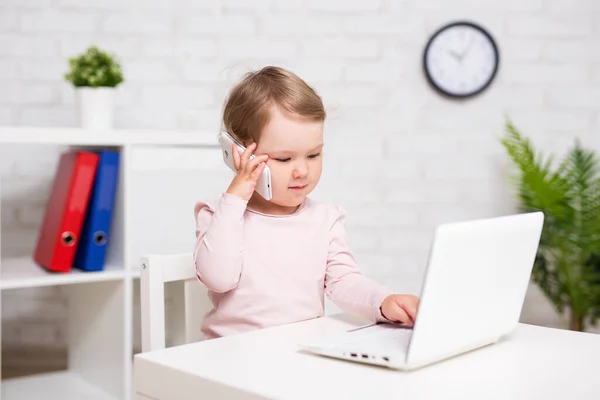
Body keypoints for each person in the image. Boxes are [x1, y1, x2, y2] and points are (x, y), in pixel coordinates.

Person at [194, 66, 420, 340]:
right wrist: (235, 197)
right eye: (284, 159)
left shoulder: (325, 219)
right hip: (232, 357)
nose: (302, 171)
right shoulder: (219, 214)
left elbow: (344, 281)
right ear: (238, 153)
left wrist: (383, 302)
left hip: (299, 353)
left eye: (313, 155)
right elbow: (218, 277)